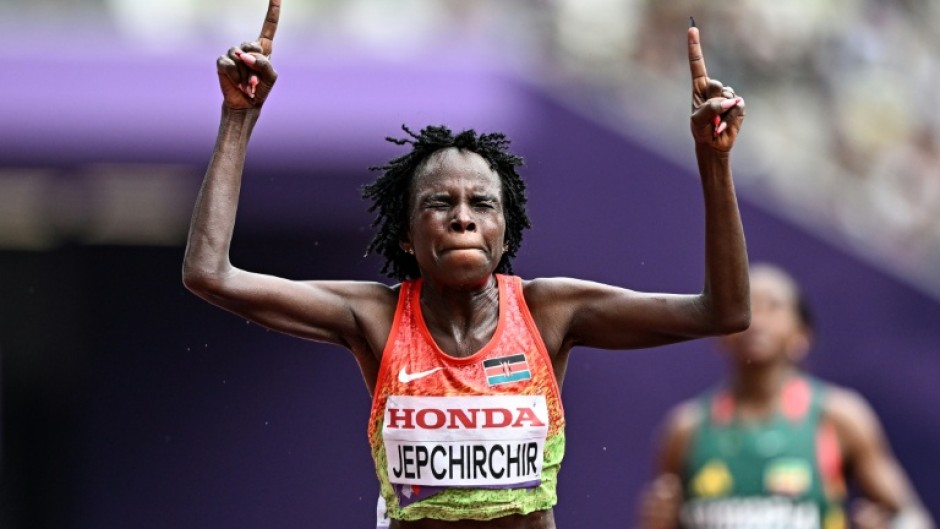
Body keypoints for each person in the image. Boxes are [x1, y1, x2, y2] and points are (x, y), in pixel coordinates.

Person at [182, 2, 749, 527]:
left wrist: (714, 159)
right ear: (406, 236)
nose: (462, 219)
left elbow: (722, 312)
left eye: (481, 204)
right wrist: (238, 116)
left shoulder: (548, 312)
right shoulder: (375, 318)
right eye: (439, 203)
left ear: (505, 232)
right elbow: (210, 273)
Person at [638, 263, 936, 529]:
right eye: (745, 306)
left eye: (773, 306)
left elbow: (913, 519)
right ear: (719, 336)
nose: (757, 320)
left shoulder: (840, 417)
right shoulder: (685, 430)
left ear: (802, 337)